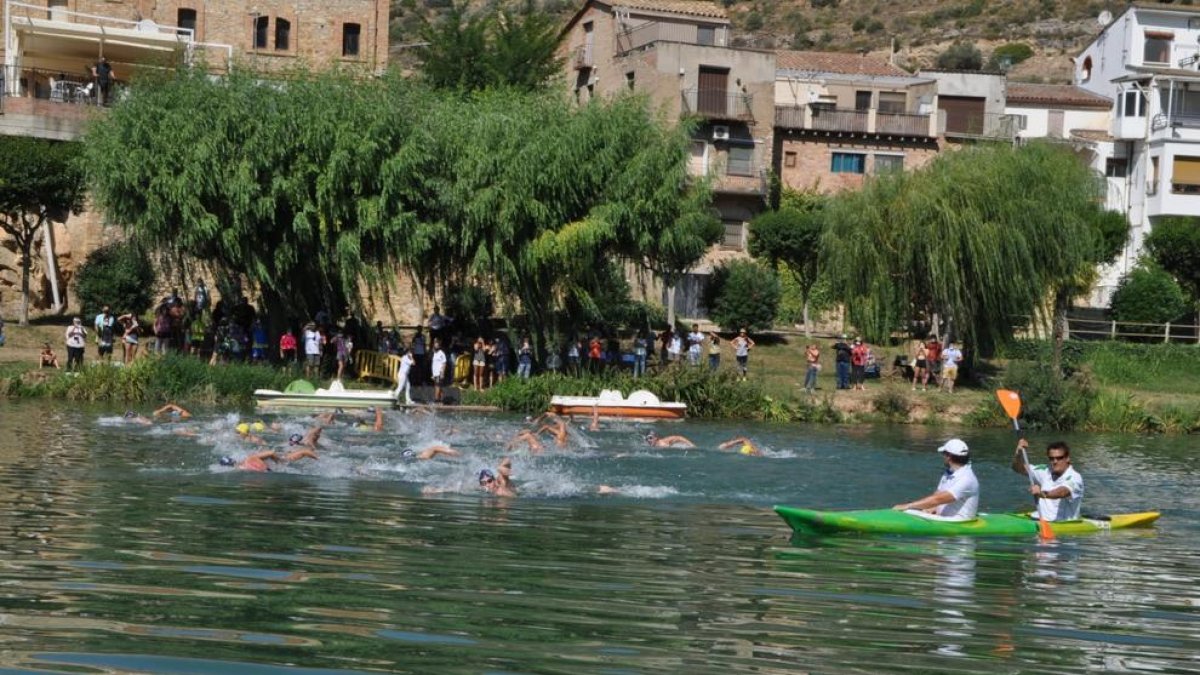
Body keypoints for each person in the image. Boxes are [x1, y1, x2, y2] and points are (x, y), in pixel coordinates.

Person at [892, 438, 979, 521]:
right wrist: (930, 508)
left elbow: (938, 499)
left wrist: (908, 506)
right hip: (942, 518)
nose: (943, 457)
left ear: (948, 456)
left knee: (909, 509)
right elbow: (937, 496)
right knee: (912, 510)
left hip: (959, 522)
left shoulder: (967, 479)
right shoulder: (949, 472)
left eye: (943, 454)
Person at [1012, 439, 1084, 521]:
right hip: (1038, 518)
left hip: (1061, 523)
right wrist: (1018, 453)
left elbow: (1062, 492)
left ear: (1067, 458)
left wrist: (1042, 494)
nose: (1055, 461)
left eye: (1059, 458)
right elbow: (1018, 468)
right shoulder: (1045, 471)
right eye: (1051, 458)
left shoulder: (1075, 477)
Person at [430, 338, 448, 403]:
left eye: (437, 345)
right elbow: (434, 364)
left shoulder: (441, 353)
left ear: (439, 346)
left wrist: (442, 372)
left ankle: (436, 399)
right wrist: (432, 374)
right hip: (435, 373)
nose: (436, 346)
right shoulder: (434, 353)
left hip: (439, 373)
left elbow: (444, 363)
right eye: (435, 345)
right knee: (438, 386)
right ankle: (441, 399)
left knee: (437, 386)